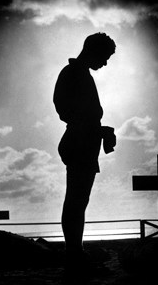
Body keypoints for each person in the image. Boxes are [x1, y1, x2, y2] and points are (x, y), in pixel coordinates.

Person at [53, 32, 116, 275]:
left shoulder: (80, 74)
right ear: (94, 50)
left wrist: (99, 130)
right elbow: (65, 109)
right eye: (105, 57)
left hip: (84, 143)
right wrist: (95, 128)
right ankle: (74, 254)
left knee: (79, 201)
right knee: (76, 201)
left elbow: (78, 114)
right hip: (79, 143)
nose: (105, 63)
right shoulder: (73, 73)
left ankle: (75, 251)